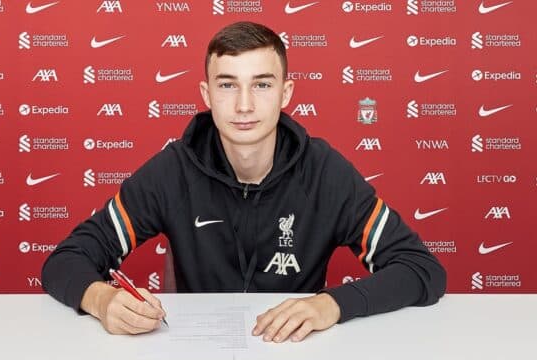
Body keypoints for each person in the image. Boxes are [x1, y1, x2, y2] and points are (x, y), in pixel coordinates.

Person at [42, 21, 446, 343]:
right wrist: (102, 299)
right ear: (206, 93)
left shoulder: (324, 172)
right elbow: (65, 260)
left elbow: (422, 270)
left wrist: (331, 305)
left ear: (286, 92)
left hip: (295, 356)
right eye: (227, 85)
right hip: (196, 359)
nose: (244, 105)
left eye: (262, 84)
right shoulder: (174, 169)